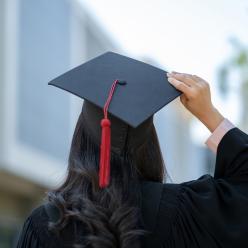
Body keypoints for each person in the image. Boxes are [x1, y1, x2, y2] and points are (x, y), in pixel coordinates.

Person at [16, 53, 248, 248]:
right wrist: (210, 116)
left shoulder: (45, 224)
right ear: (150, 142)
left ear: (82, 138)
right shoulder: (188, 211)